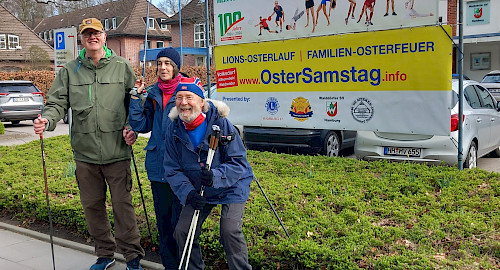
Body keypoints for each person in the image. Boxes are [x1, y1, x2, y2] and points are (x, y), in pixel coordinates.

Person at [33, 18, 145, 270]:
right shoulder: (70, 70)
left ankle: (132, 256)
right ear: (82, 39)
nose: (92, 37)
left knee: (122, 207)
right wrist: (46, 121)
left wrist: (131, 129)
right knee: (93, 207)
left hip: (117, 151)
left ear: (105, 37)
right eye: (87, 34)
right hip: (85, 154)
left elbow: (134, 104)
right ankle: (105, 254)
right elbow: (57, 104)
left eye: (96, 33)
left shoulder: (122, 66)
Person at [163, 78, 254, 269]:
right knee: (183, 231)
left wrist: (217, 176)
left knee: (229, 231)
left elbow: (239, 163)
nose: (184, 103)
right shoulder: (174, 129)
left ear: (201, 102)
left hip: (232, 184)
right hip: (199, 187)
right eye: (179, 97)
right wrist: (188, 193)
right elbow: (172, 169)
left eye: (189, 97)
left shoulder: (221, 124)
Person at [128, 48, 183, 269]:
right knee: (164, 225)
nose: (162, 67)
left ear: (176, 66)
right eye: (159, 63)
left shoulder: (187, 91)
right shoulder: (152, 93)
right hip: (158, 167)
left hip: (182, 168)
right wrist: (135, 98)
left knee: (181, 225)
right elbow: (141, 125)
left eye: (168, 63)